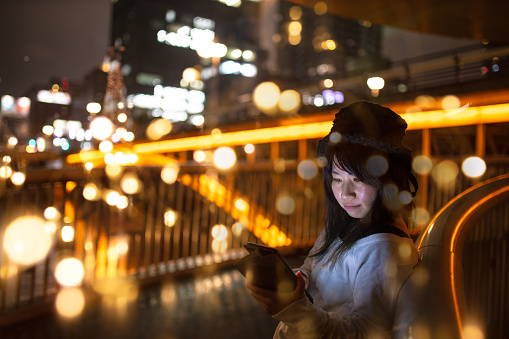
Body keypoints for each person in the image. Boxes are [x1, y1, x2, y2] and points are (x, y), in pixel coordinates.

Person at [246, 101, 420, 338]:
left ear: (387, 180)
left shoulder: (382, 249)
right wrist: (294, 282)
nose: (344, 194)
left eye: (358, 179)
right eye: (337, 179)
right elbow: (312, 267)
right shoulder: (345, 225)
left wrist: (293, 310)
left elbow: (365, 334)